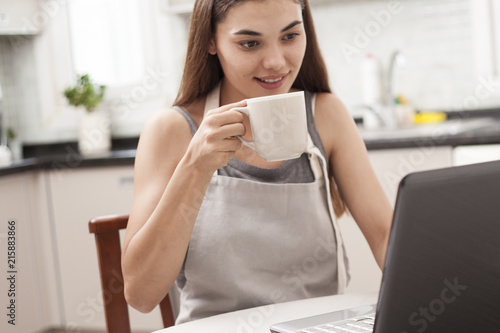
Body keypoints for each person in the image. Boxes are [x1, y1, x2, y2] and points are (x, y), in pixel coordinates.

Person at [121, 0, 393, 325]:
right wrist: (195, 167)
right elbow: (140, 294)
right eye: (250, 43)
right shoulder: (171, 131)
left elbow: (384, 237)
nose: (276, 62)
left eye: (290, 36)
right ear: (210, 40)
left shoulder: (327, 115)